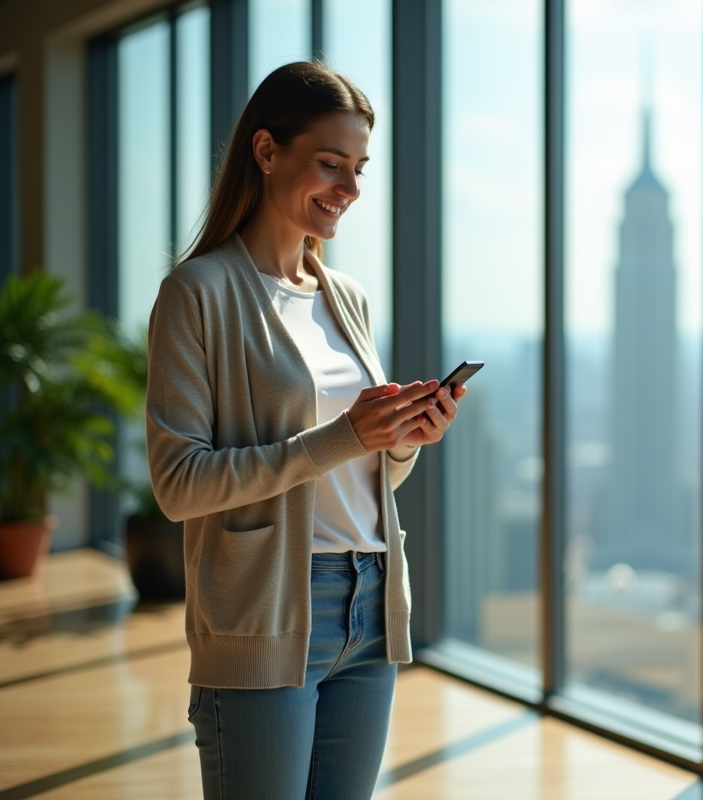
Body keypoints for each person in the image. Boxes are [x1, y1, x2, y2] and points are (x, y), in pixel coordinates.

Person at [145, 61, 464, 800]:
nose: (349, 190)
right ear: (266, 152)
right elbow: (177, 484)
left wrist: (405, 438)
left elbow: (363, 467)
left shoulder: (343, 296)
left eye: (358, 169)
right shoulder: (198, 294)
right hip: (265, 609)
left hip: (371, 597)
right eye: (329, 164)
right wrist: (346, 438)